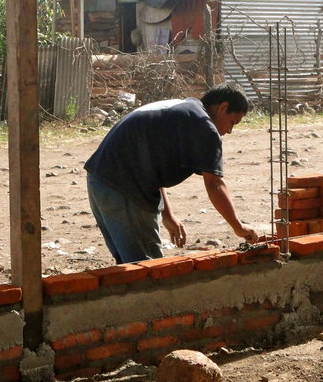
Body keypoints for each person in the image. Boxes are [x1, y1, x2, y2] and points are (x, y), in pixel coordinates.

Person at [85, 83, 259, 264]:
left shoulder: (183, 110)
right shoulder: (204, 126)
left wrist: (167, 215)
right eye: (233, 122)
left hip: (99, 181)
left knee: (129, 265)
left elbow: (153, 165)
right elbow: (214, 184)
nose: (230, 131)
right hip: (124, 188)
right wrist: (238, 227)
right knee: (146, 269)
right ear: (223, 107)